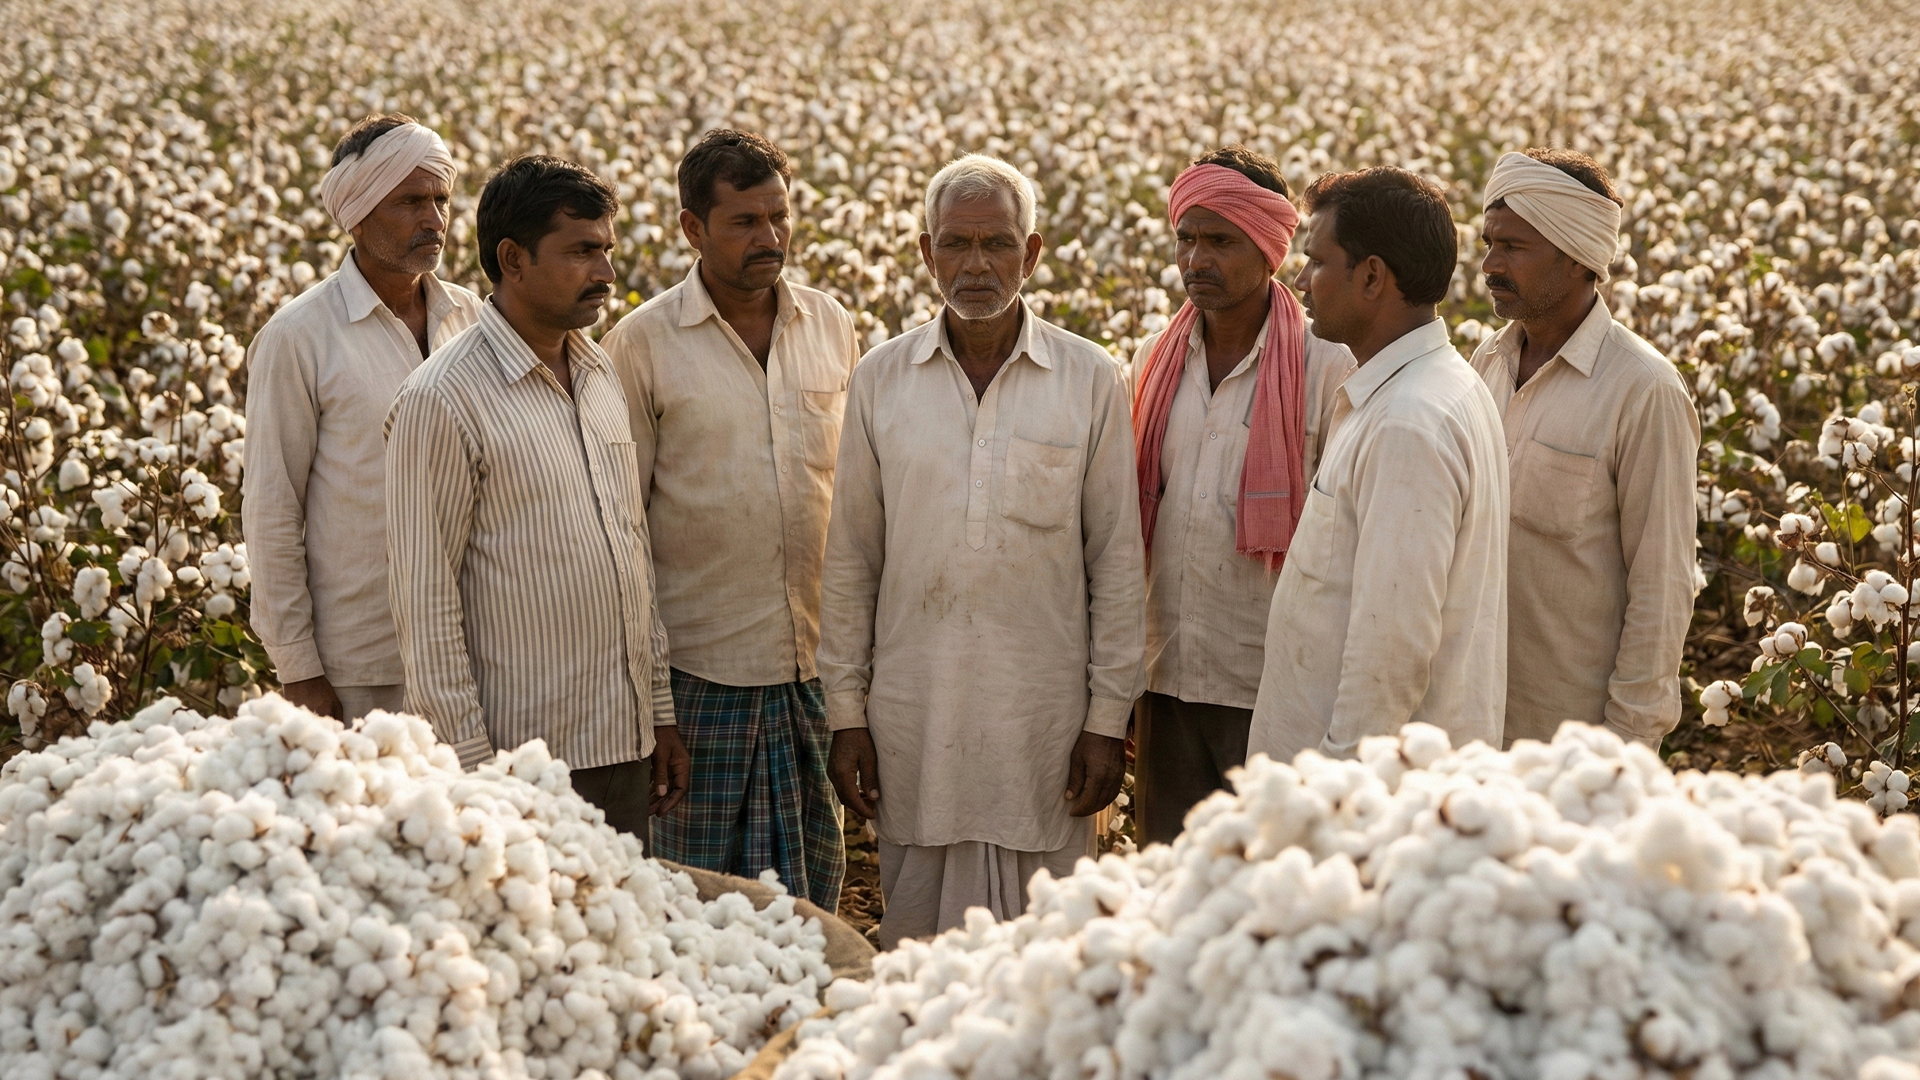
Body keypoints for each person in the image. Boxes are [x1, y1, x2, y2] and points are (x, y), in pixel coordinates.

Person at [817, 154, 1145, 947]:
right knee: (920, 944)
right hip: (915, 721)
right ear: (926, 255)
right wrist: (847, 716)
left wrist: (1107, 722)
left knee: (1047, 954)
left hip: (1046, 728)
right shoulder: (880, 380)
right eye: (955, 246)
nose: (975, 266)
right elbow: (852, 562)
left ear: (1031, 254)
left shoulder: (1089, 378)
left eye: (996, 244)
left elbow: (1118, 565)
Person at [384, 155, 689, 836]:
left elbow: (628, 548)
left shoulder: (600, 369)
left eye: (607, 249)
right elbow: (424, 603)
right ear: (513, 259)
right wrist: (469, 774)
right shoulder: (442, 399)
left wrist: (658, 713)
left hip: (624, 743)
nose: (607, 272)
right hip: (521, 765)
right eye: (582, 251)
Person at [601, 130, 856, 906]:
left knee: (812, 897)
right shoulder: (641, 346)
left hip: (811, 673)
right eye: (745, 222)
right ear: (692, 228)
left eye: (779, 216)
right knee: (693, 899)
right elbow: (623, 532)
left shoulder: (832, 326)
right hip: (697, 678)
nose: (770, 238)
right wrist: (656, 711)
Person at [1127, 147, 1354, 844]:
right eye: (1186, 240)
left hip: (1272, 685)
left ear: (1272, 248)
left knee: (1271, 879)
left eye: (1220, 241)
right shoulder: (1152, 361)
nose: (1197, 260)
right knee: (1172, 875)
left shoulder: (1330, 367)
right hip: (1166, 680)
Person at [1248, 167, 1509, 762]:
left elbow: (1391, 652)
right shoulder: (1435, 388)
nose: (1303, 282)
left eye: (1316, 261)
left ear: (1371, 276)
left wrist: (1342, 795)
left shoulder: (1406, 424)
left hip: (1357, 803)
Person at [243, 114, 481, 721]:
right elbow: (272, 509)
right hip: (364, 662)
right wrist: (299, 669)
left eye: (440, 200)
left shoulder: (475, 318)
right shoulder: (298, 338)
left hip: (479, 650)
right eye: (409, 202)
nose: (433, 220)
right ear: (357, 213)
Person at [1472, 150, 1700, 748]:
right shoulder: (1486, 364)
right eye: (1488, 242)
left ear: (1576, 256)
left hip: (1570, 741)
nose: (1490, 265)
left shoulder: (1644, 390)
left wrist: (1627, 746)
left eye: (1513, 247)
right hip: (1468, 718)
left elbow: (1662, 583)